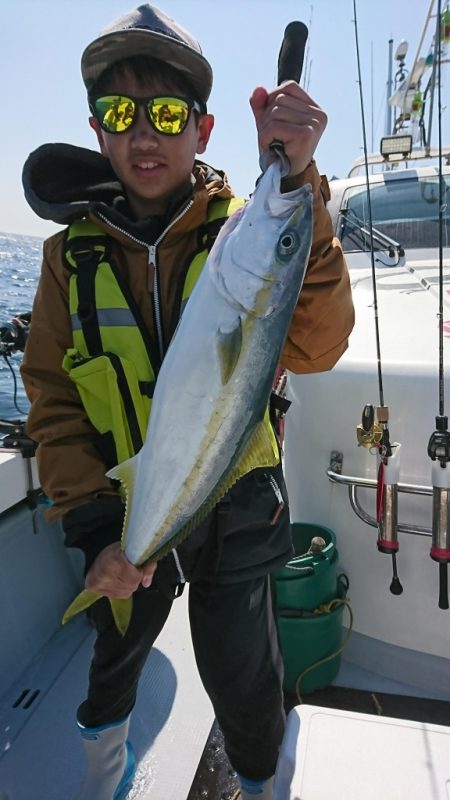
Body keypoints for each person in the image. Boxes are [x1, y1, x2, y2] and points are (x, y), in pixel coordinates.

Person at [20, 5, 354, 799]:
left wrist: (301, 185)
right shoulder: (70, 260)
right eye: (120, 114)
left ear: (203, 131)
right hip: (128, 512)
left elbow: (318, 346)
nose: (145, 134)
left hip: (236, 510)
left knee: (243, 676)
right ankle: (103, 779)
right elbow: (53, 398)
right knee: (114, 661)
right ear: (96, 131)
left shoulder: (250, 230)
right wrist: (99, 529)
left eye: (167, 113)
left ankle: (261, 782)